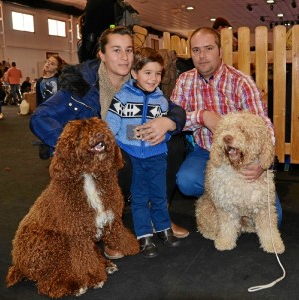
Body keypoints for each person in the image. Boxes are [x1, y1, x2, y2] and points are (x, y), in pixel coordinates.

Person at [30, 26, 188, 259]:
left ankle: (159, 214)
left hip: (136, 144)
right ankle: (112, 227)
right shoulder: (81, 84)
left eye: (129, 50)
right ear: (101, 55)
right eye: (116, 50)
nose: (124, 57)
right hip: (99, 154)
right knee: (120, 158)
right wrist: (76, 146)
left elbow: (173, 108)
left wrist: (169, 122)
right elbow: (40, 117)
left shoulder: (141, 76)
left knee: (173, 147)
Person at [170, 27, 282, 226]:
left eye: (208, 48)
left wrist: (263, 162)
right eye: (196, 50)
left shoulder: (241, 82)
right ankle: (222, 198)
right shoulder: (184, 81)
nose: (202, 56)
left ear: (220, 51)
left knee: (275, 219)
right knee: (186, 182)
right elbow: (173, 120)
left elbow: (263, 124)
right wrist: (202, 116)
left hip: (242, 154)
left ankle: (231, 197)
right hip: (207, 151)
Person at [106, 47, 181, 258]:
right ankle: (144, 236)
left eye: (158, 73)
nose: (154, 78)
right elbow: (111, 126)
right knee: (139, 198)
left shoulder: (161, 101)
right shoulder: (121, 98)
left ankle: (164, 229)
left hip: (157, 155)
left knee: (159, 195)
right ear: (135, 73)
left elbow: (166, 131)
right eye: (148, 72)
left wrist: (163, 136)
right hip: (134, 156)